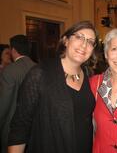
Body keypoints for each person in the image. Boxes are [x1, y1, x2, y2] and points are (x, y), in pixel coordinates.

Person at [7, 21, 96, 153]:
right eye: (79, 37)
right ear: (65, 41)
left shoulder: (89, 75)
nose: (84, 45)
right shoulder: (40, 74)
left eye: (90, 41)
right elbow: (20, 126)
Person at [0, 35, 35, 153]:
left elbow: (3, 105)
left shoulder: (9, 71)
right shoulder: (38, 67)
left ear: (13, 50)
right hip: (34, 129)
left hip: (12, 130)